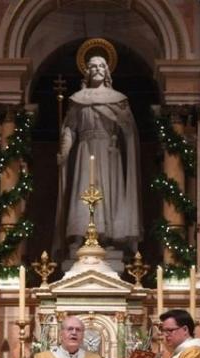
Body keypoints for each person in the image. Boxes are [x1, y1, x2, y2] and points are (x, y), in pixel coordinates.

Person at [54, 54, 141, 255]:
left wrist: (123, 124)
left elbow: (128, 130)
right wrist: (64, 151)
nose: (98, 69)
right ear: (87, 71)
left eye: (102, 66)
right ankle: (80, 236)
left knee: (109, 193)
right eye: (93, 66)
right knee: (82, 190)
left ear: (107, 71)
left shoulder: (118, 100)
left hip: (110, 153)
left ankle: (107, 236)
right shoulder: (77, 100)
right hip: (85, 150)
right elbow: (70, 129)